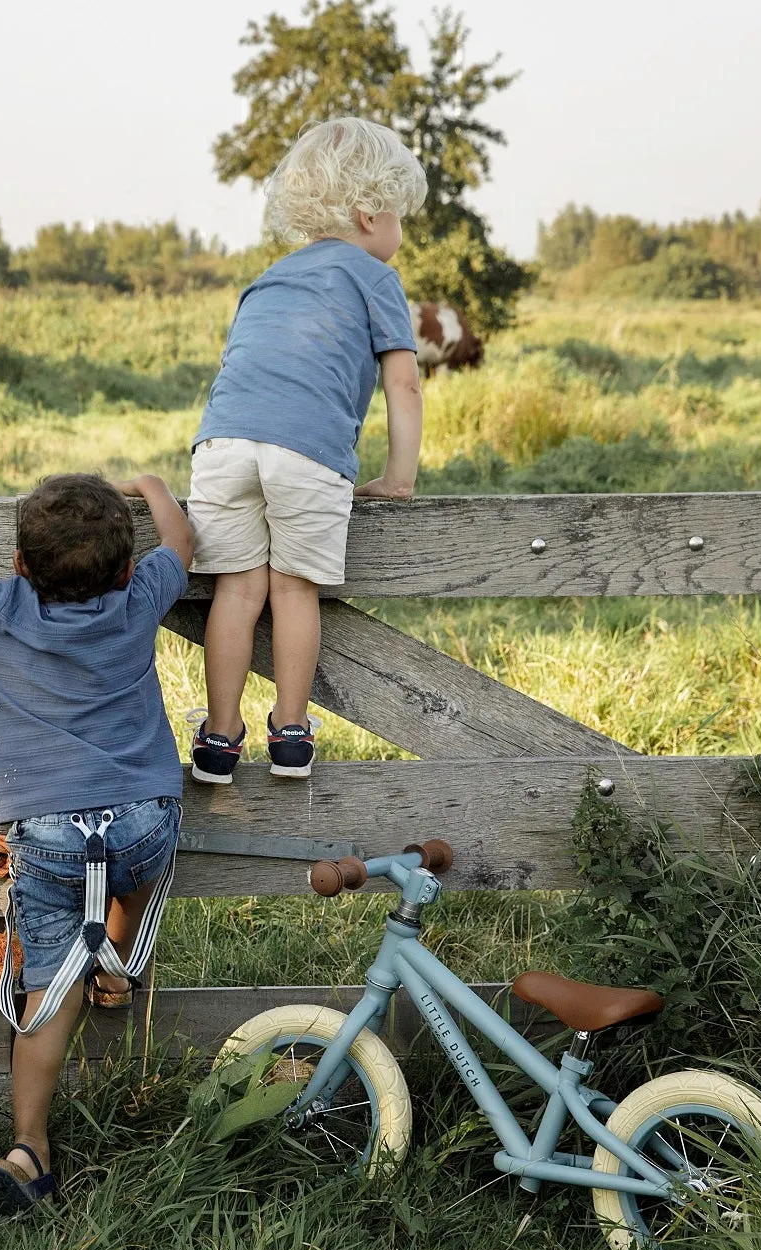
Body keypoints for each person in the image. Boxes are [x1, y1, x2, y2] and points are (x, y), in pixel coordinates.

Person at [0, 471, 193, 1210]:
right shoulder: (138, 598)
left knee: (42, 995)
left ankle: (31, 1147)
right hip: (143, 818)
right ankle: (117, 966)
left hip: (51, 837)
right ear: (127, 568)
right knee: (137, 858)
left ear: (21, 564)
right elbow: (183, 544)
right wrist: (154, 489)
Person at [186, 116, 428, 784]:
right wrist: (398, 475)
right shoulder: (375, 277)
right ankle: (290, 730)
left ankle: (219, 735)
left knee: (236, 589)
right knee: (294, 589)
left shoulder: (270, 277)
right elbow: (402, 381)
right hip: (307, 451)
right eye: (400, 217)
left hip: (223, 441)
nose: (401, 234)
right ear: (368, 214)